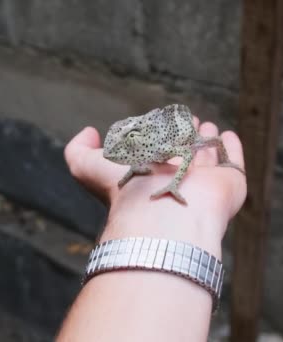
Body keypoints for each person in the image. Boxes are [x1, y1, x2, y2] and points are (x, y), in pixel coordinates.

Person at [57, 117, 247, 342]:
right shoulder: (145, 147)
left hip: (174, 131)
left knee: (213, 140)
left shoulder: (161, 145)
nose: (119, 150)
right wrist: (134, 171)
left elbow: (186, 154)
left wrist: (174, 183)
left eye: (131, 141)